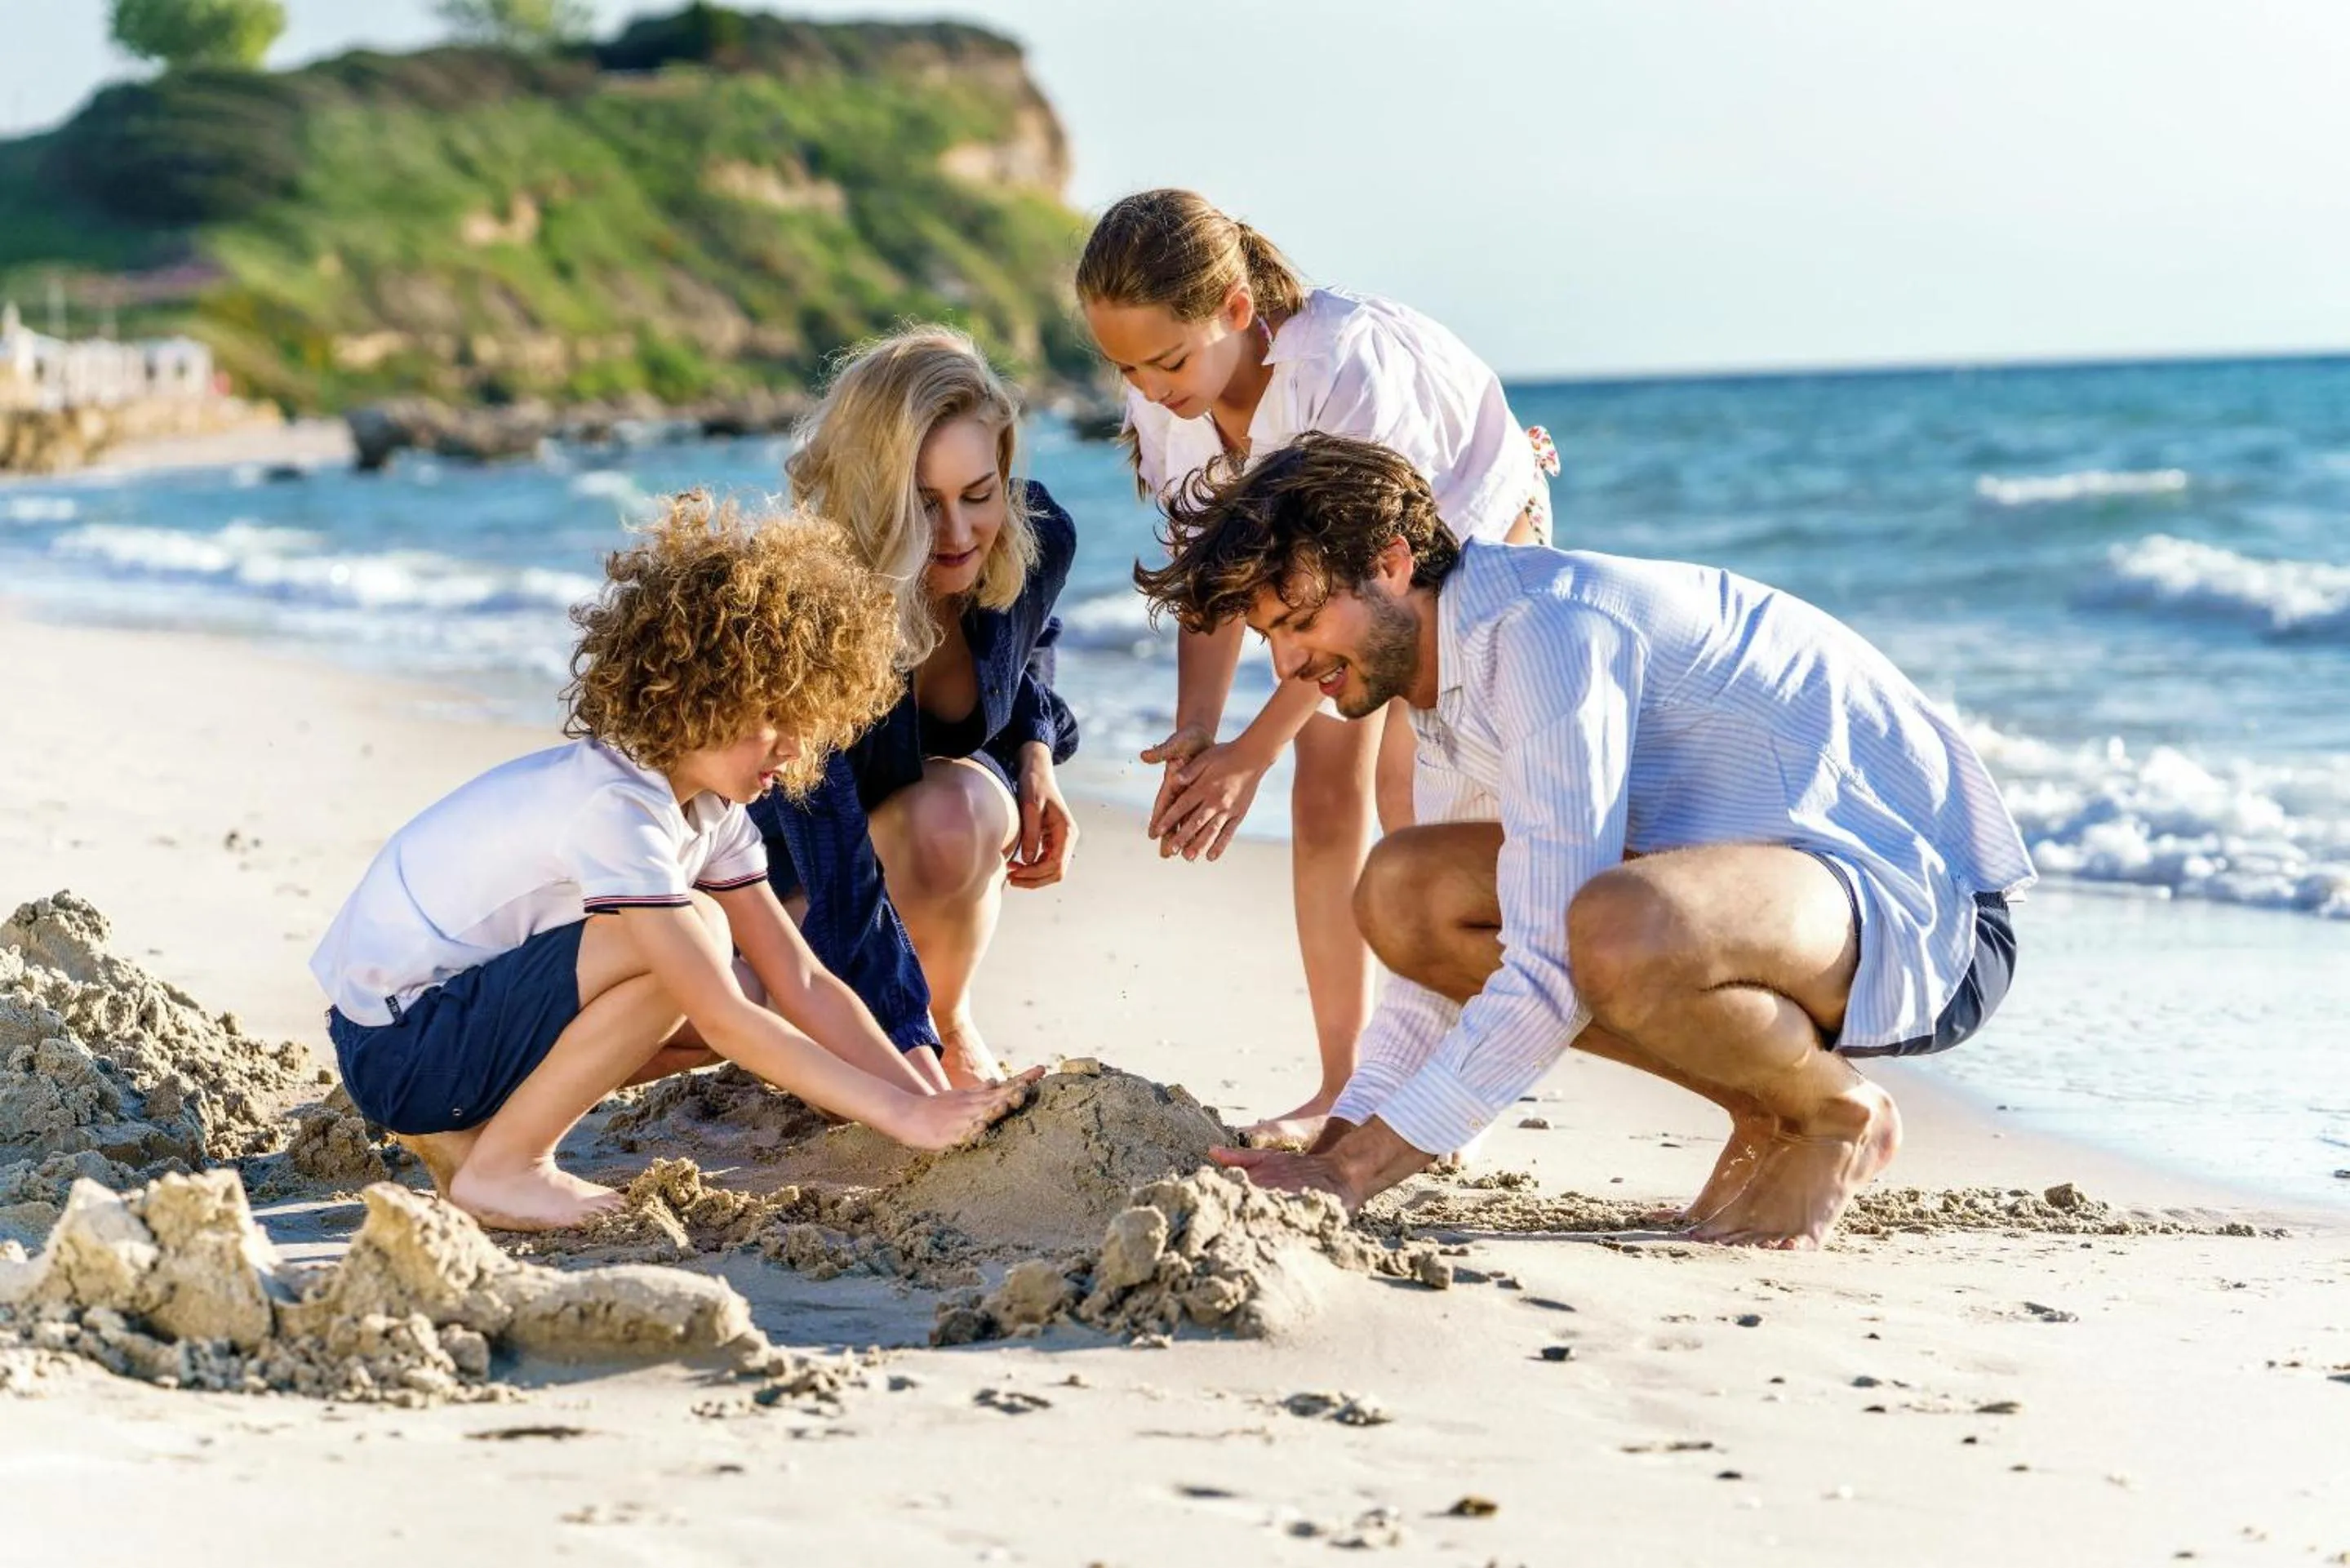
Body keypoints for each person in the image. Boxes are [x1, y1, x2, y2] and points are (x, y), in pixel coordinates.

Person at [1133, 434, 2034, 1249]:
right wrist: (1331, 1151)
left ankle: (1830, 1114)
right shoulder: (1446, 684)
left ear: (1391, 561)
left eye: (1298, 623)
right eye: (1268, 640)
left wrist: (1356, 1171)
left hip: (1923, 914)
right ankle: (1771, 1108)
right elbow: (1432, 983)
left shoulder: (1547, 635)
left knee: (1608, 925)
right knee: (1404, 892)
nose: (1288, 668)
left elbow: (1545, 969)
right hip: (1772, 900)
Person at [310, 493, 1037, 1233]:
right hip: (398, 1045)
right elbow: (720, 1018)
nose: (792, 748)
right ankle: (505, 1168)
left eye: (807, 721)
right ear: (698, 693)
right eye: (773, 719)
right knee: (693, 943)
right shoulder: (616, 808)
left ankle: (476, 1142)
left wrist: (921, 1097)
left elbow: (805, 979)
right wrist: (905, 1118)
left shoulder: (709, 812)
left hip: (442, 1025)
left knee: (741, 969)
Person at [1077, 188, 1557, 1148]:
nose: (1151, 386)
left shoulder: (1344, 371)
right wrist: (1199, 730)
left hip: (1460, 535)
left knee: (1401, 779)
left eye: (1168, 360)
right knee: (1321, 793)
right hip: (1323, 582)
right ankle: (1345, 1079)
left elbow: (1353, 603)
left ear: (1235, 310)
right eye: (1123, 367)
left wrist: (1251, 752)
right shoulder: (1173, 401)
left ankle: (1441, 1072)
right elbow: (1216, 577)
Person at [749, 327, 1080, 1090]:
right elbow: (835, 869)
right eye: (923, 505)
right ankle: (911, 1035)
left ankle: (949, 1016)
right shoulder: (817, 609)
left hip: (906, 850)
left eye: (977, 494)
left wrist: (1035, 753)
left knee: (960, 808)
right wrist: (906, 1053)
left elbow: (1029, 640)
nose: (959, 533)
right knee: (727, 1005)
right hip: (777, 869)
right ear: (874, 498)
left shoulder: (1038, 538)